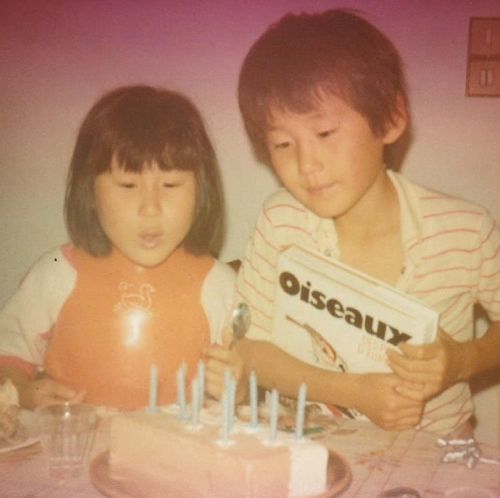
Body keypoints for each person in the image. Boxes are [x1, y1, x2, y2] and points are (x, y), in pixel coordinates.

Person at [234, 8, 500, 435]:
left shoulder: (466, 232)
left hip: (436, 452)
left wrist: (461, 362)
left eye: (324, 134)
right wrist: (354, 392)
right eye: (283, 144)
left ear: (391, 119)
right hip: (314, 447)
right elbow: (250, 352)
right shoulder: (281, 222)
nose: (306, 164)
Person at [0, 85, 238, 411]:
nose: (150, 207)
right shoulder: (57, 271)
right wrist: (21, 392)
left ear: (201, 192)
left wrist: (236, 387)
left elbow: (246, 376)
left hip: (175, 442)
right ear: (89, 191)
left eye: (170, 185)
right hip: (75, 439)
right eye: (128, 185)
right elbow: (8, 354)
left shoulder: (219, 284)